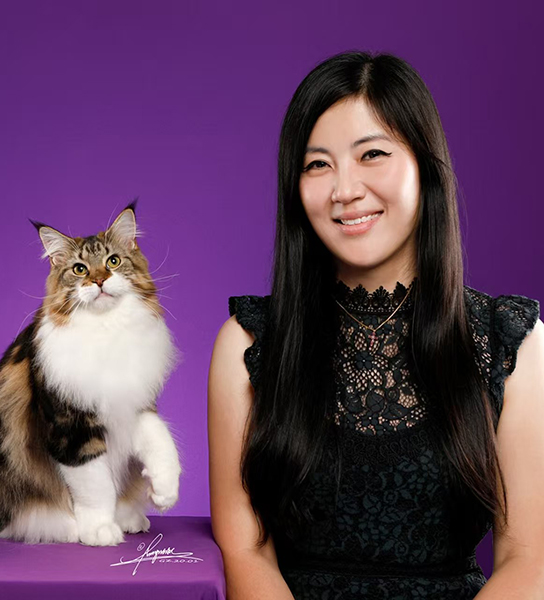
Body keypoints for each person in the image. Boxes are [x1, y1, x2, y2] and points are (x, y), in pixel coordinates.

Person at [207, 51, 544, 599]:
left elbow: (530, 560)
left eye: (372, 155)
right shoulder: (249, 342)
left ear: (424, 166)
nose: (344, 190)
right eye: (318, 165)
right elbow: (244, 551)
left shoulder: (510, 343)